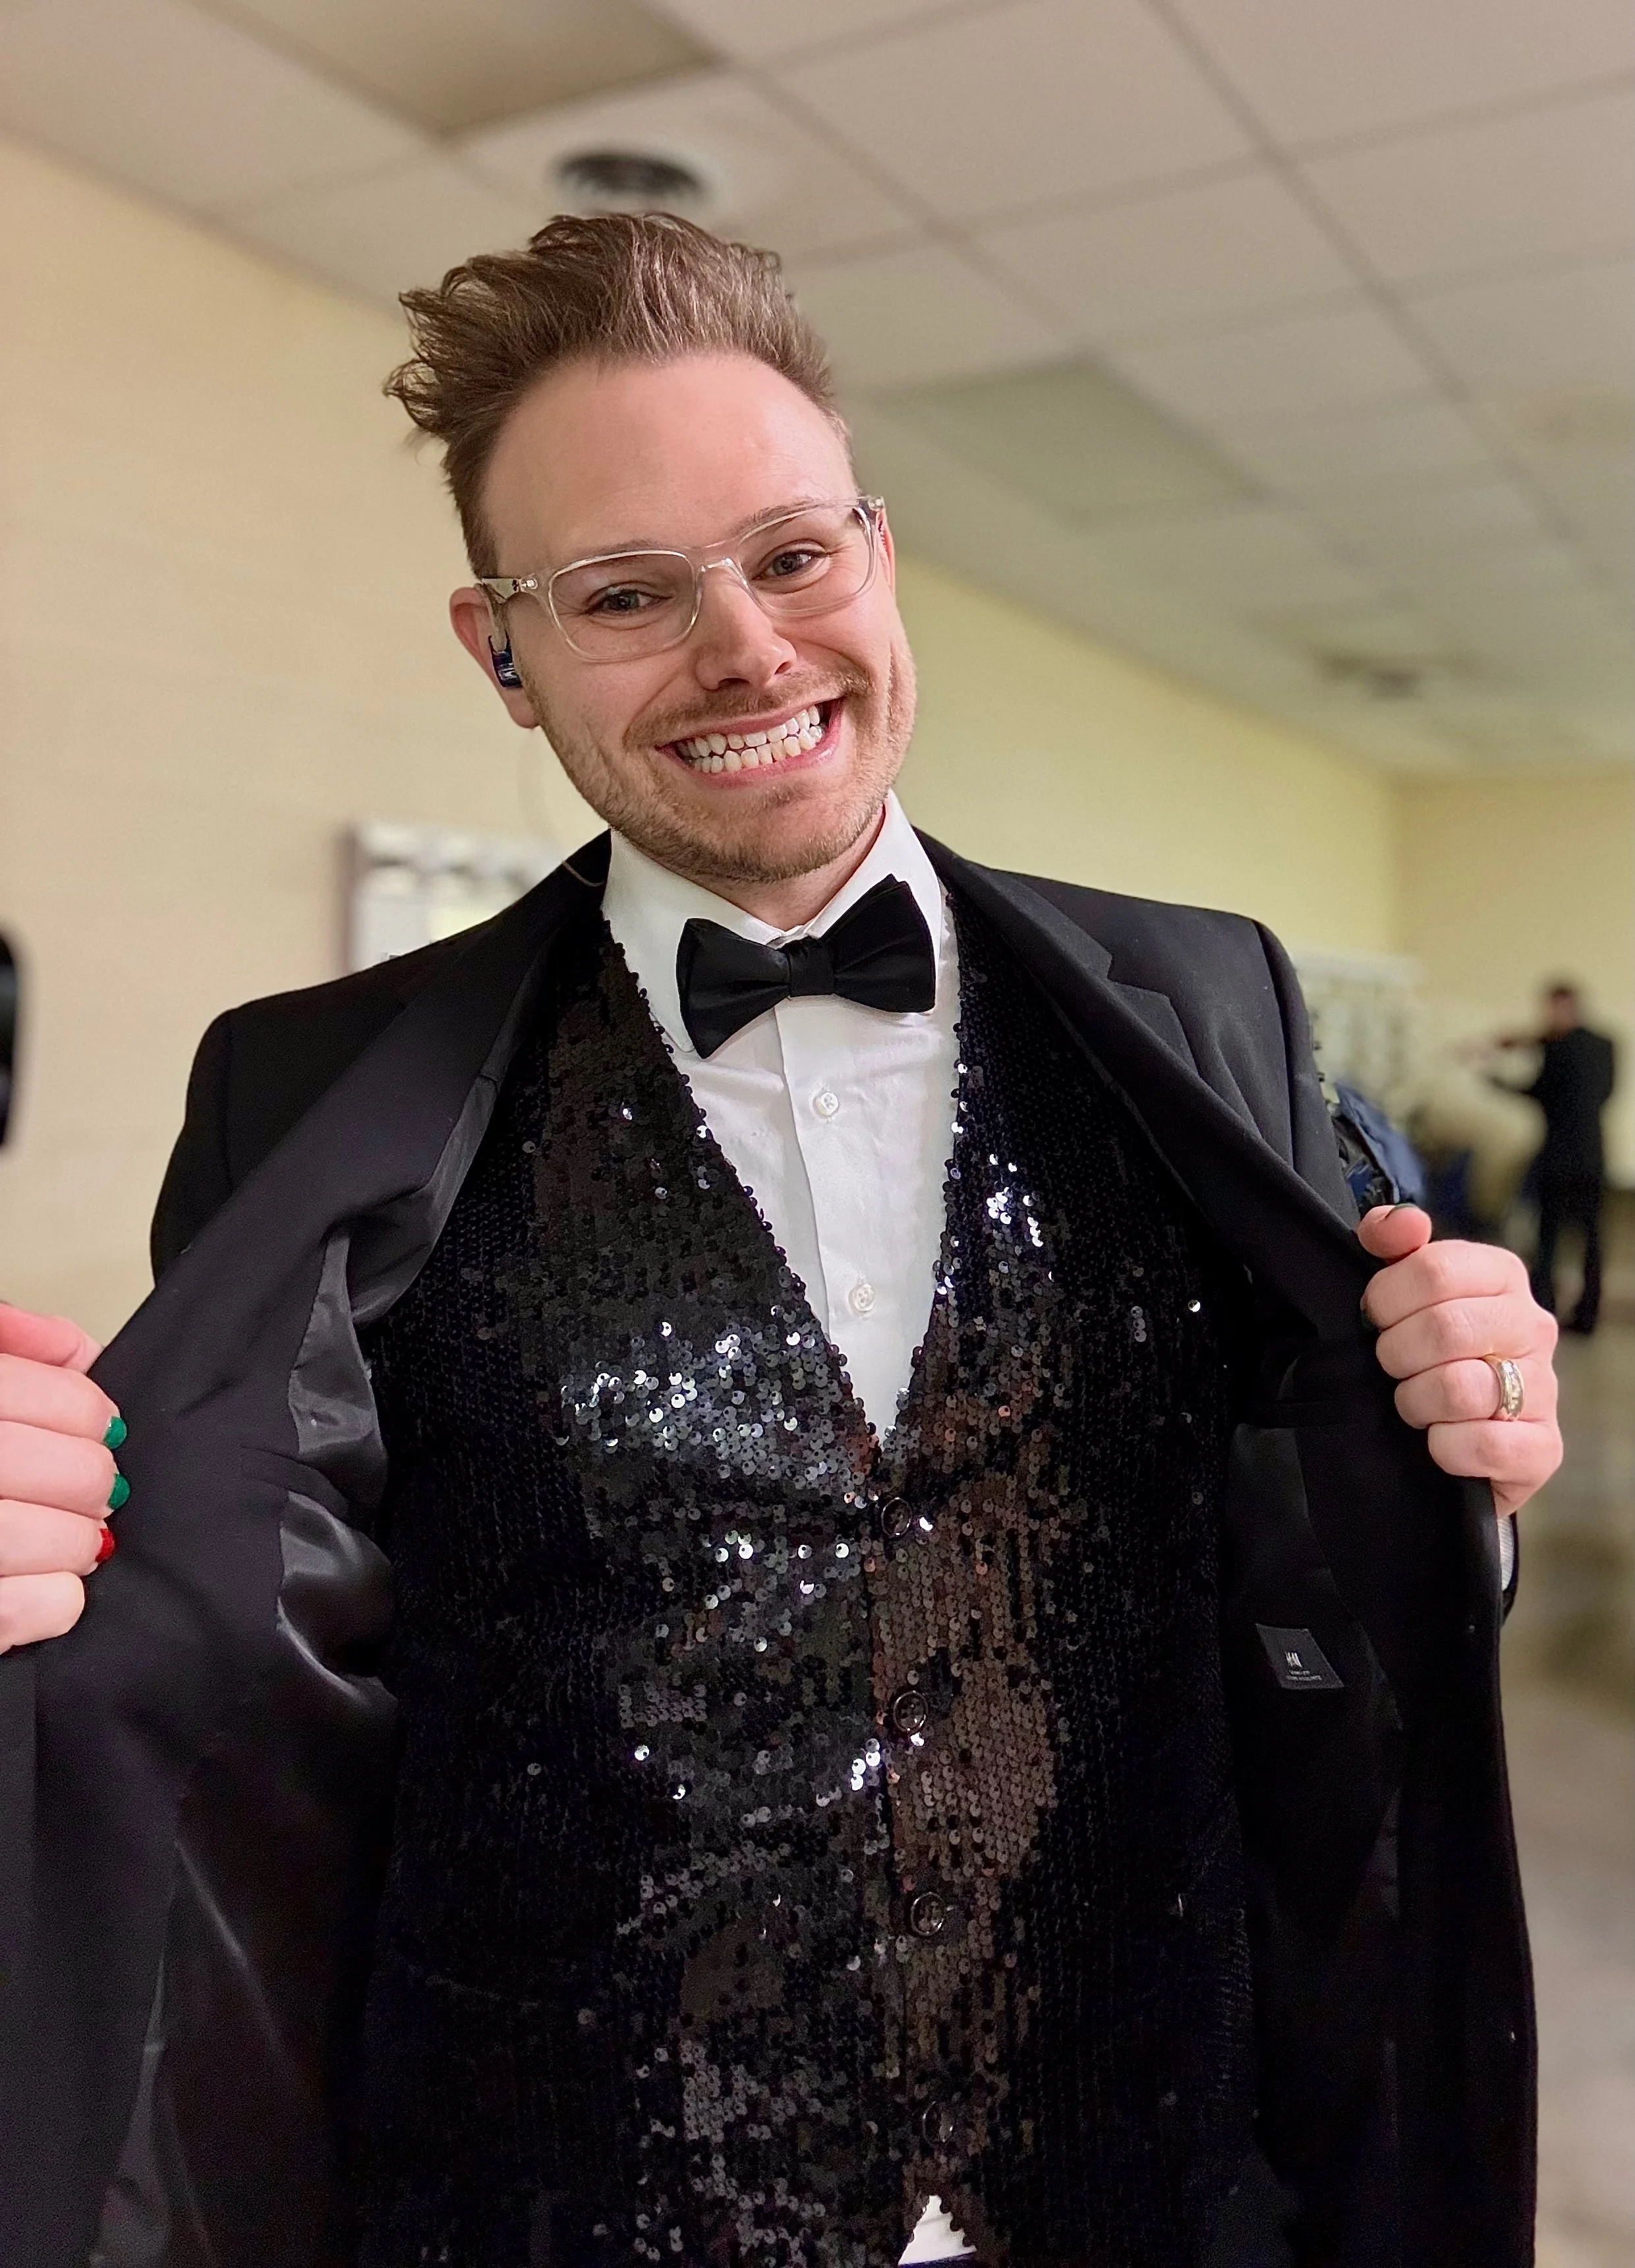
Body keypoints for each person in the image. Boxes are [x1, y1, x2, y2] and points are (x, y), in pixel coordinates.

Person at [0, 217, 1563, 2268]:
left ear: (878, 557)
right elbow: (233, 1656)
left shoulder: (1211, 1005)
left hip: (1141, 2172)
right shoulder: (300, 1088)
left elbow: (1300, 1553)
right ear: (500, 652)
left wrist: (1458, 1464)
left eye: (792, 555)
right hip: (547, 2198)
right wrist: (41, 1564)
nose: (741, 648)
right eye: (624, 594)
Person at [1489, 982, 1617, 1335]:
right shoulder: (1604, 1045)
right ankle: (1588, 1315)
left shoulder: (1557, 1047)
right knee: (1591, 1240)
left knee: (1549, 1238)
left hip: (1558, 1157)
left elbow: (1541, 1092)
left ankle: (1545, 1309)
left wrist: (1497, 1080)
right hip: (1593, 1156)